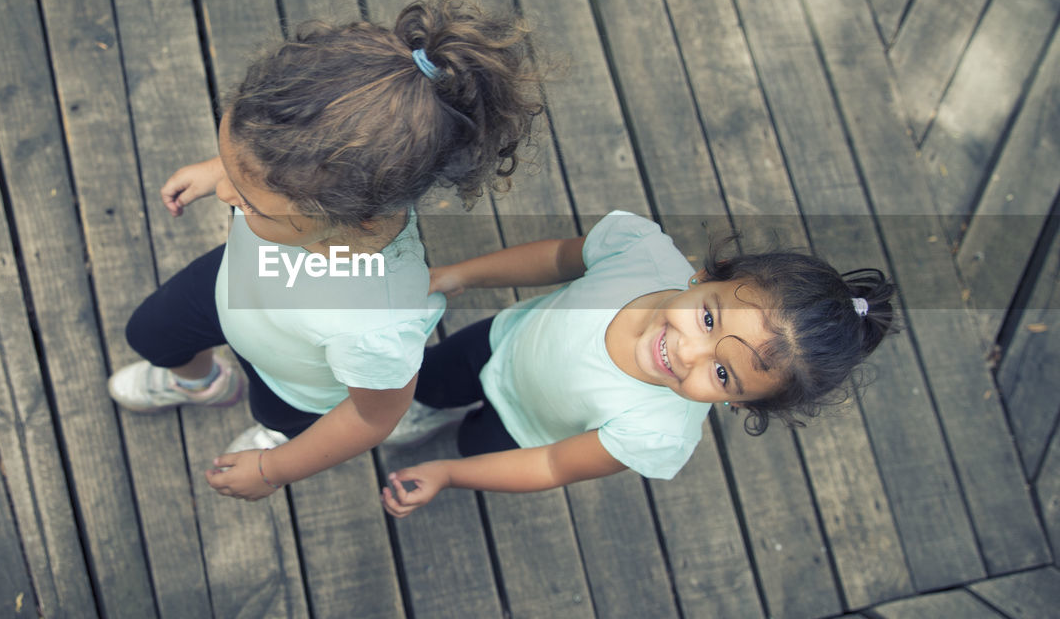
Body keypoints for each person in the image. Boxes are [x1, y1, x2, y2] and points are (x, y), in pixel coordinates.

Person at [108, 0, 545, 501]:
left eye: (248, 200)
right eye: (232, 165)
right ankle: (200, 382)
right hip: (235, 287)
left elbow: (369, 417)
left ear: (353, 219)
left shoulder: (377, 325)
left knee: (277, 419)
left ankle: (273, 434)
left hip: (297, 383)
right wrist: (224, 168)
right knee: (151, 333)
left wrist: (274, 468)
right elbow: (265, 168)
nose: (227, 196)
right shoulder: (299, 184)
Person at [380, 210, 896, 518]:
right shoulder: (641, 254)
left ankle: (448, 435)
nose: (688, 352)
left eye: (722, 374)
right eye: (710, 319)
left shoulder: (660, 433)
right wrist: (458, 275)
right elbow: (561, 256)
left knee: (473, 443)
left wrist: (448, 473)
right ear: (703, 277)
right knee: (431, 380)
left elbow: (552, 464)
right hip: (498, 344)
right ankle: (424, 408)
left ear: (737, 400)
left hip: (524, 434)